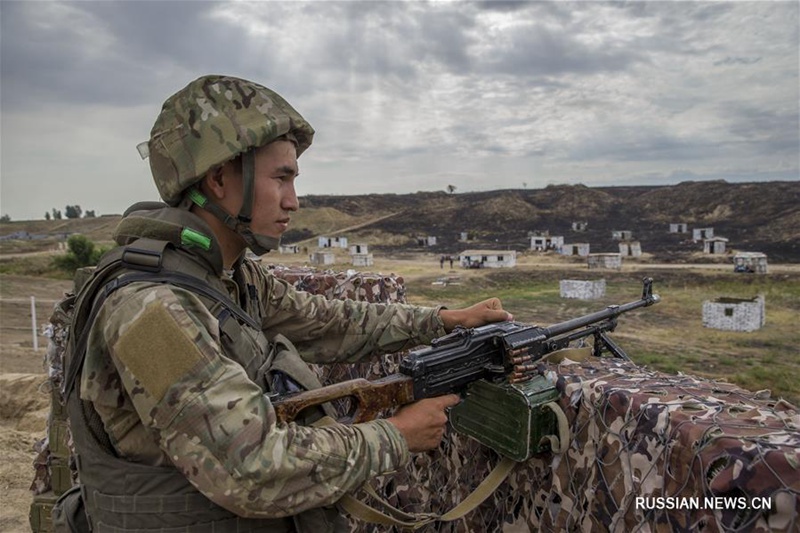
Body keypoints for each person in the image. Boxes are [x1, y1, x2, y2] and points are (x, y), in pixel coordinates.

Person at [61, 75, 512, 532]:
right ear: (218, 178)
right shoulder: (151, 311)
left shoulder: (224, 274)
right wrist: (397, 435)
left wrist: (441, 321)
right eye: (281, 178)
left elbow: (325, 321)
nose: (293, 202)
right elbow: (252, 467)